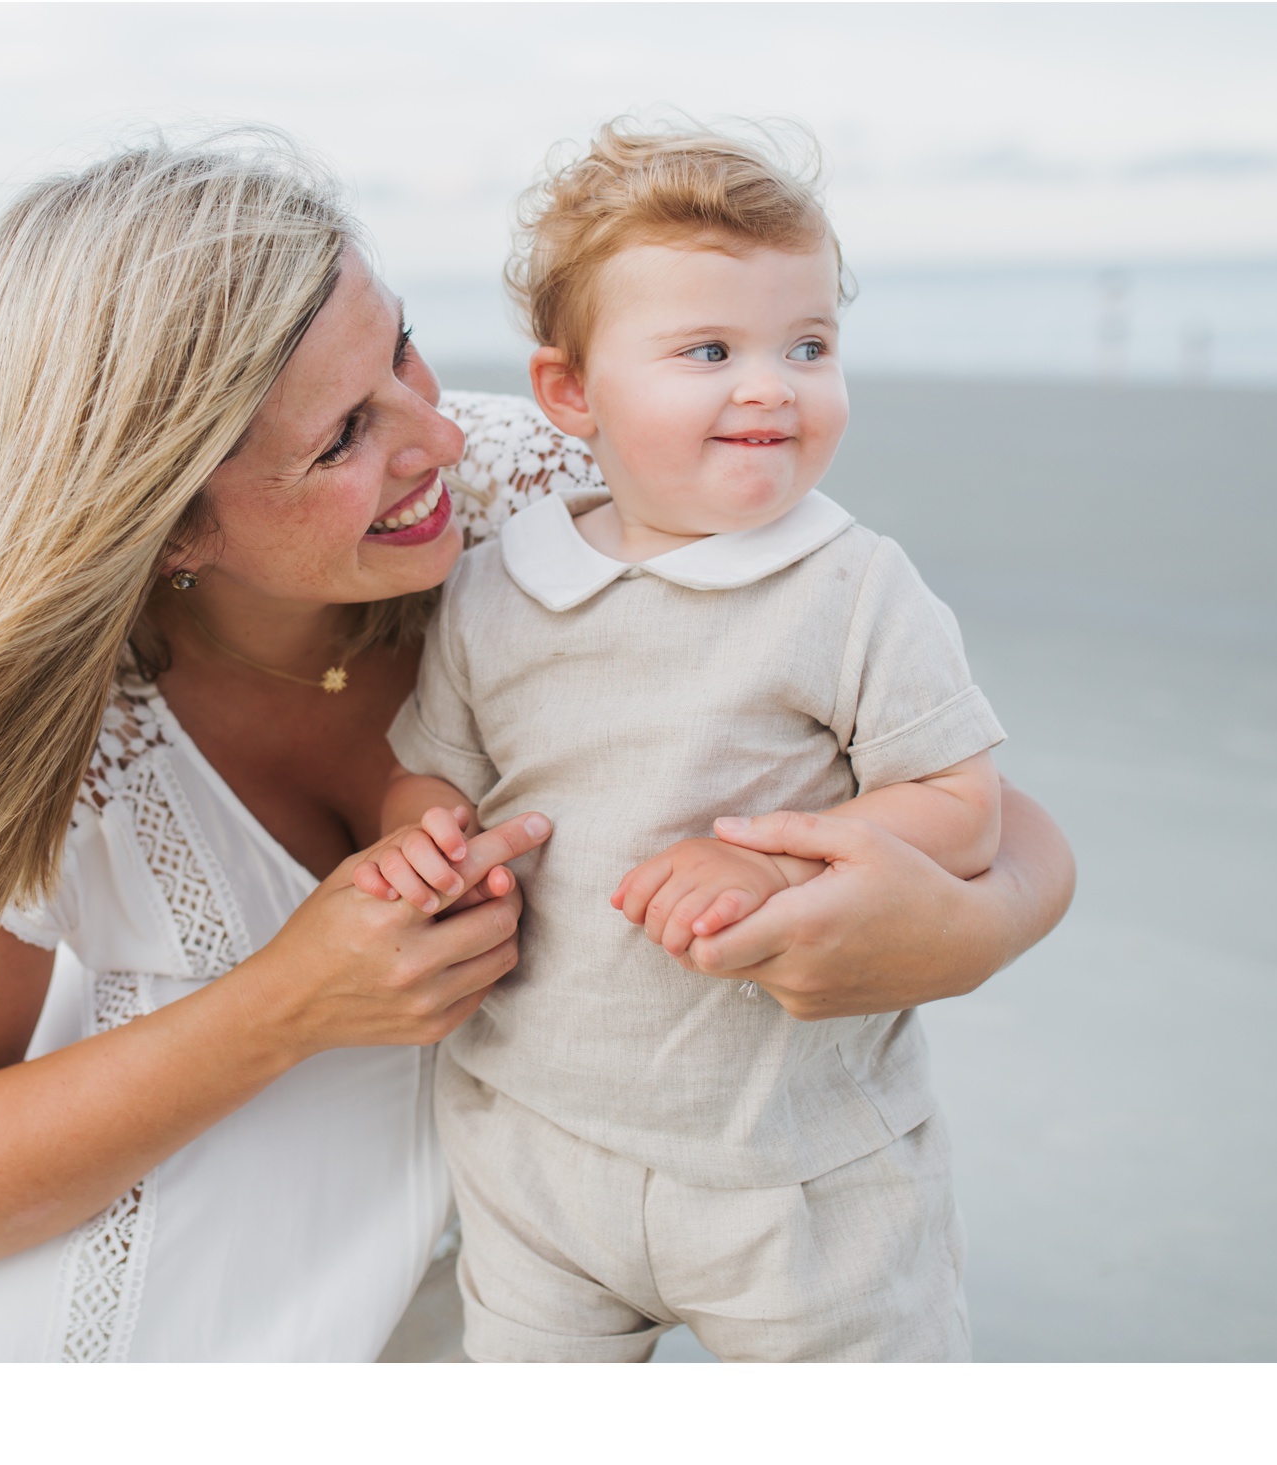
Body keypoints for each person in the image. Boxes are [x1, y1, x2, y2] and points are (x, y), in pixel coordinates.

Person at [0, 131, 1075, 1362]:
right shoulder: (36, 720)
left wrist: (957, 932)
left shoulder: (555, 486)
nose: (438, 442)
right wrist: (291, 998)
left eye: (400, 346)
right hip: (147, 1315)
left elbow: (979, 801)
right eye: (342, 436)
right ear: (167, 523)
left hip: (529, 1286)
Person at [370, 121, 1023, 1361]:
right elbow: (430, 773)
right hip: (534, 1141)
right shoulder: (501, 582)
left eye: (808, 345)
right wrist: (424, 843)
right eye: (708, 350)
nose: (770, 383)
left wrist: (789, 861)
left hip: (795, 1166)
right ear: (569, 394)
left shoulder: (850, 584)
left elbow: (958, 801)